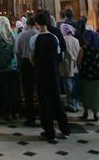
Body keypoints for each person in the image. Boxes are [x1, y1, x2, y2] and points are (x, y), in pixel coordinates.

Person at [30, 11, 70, 143]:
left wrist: (38, 65)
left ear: (36, 23)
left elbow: (32, 57)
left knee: (44, 103)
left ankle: (49, 132)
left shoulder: (34, 38)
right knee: (57, 100)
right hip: (53, 73)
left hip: (41, 73)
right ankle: (65, 130)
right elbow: (59, 56)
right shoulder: (54, 37)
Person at [79, 29, 99, 122]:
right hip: (98, 75)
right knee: (96, 94)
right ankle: (96, 114)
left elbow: (78, 61)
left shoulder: (83, 48)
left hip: (86, 75)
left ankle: (85, 112)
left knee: (86, 94)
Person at [0, 16, 19, 121]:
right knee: (13, 90)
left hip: (1, 67)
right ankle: (15, 111)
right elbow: (16, 50)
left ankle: (5, 112)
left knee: (3, 90)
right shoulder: (13, 35)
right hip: (13, 66)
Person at [14, 15, 38, 126]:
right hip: (39, 64)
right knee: (40, 90)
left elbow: (17, 51)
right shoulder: (39, 34)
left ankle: (30, 117)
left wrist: (19, 66)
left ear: (27, 24)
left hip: (25, 63)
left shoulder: (22, 35)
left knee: (28, 91)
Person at [59, 23, 82, 113]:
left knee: (68, 86)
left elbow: (62, 54)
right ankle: (76, 104)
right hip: (75, 64)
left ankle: (71, 104)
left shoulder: (63, 40)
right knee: (74, 85)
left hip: (67, 64)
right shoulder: (76, 40)